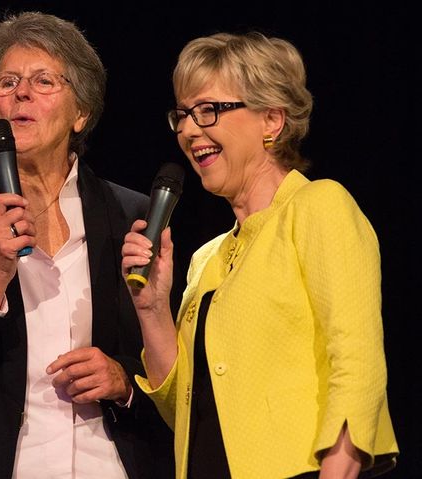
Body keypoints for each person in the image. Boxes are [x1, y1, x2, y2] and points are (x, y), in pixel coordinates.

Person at [0, 11, 174, 479]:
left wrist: (123, 381)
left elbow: (173, 377)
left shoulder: (131, 216)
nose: (21, 93)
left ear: (81, 113)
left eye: (44, 81)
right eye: (7, 83)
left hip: (104, 464)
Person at [121, 31, 399, 478]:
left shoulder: (318, 206)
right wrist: (152, 308)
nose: (190, 130)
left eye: (209, 110)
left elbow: (358, 366)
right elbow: (185, 413)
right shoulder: (206, 259)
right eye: (183, 115)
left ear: (272, 120)